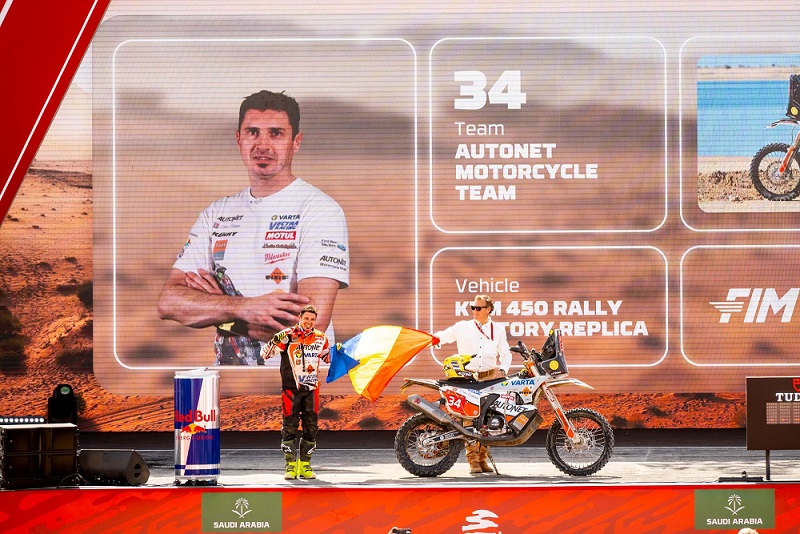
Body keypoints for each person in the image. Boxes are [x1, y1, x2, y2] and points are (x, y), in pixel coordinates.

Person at [157, 90, 349, 365]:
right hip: (231, 380)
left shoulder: (320, 210)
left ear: (296, 142)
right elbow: (169, 302)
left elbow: (309, 327)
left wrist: (219, 311)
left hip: (300, 378)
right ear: (238, 139)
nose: (262, 145)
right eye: (253, 132)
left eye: (276, 133)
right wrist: (245, 307)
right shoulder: (216, 213)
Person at [433, 294, 512, 475]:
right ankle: (472, 460)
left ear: (488, 309)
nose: (474, 311)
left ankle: (483, 458)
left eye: (478, 308)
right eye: (473, 308)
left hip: (489, 378)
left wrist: (503, 369)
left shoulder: (498, 329)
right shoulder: (463, 326)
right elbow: (444, 336)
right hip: (467, 378)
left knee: (488, 418)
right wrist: (432, 339)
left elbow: (506, 353)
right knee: (469, 417)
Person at [261, 305, 330, 479]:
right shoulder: (287, 335)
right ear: (299, 318)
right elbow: (264, 354)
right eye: (306, 318)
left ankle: (305, 466)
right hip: (290, 389)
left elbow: (328, 358)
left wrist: (339, 351)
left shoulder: (321, 338)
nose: (309, 322)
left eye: (312, 319)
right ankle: (290, 466)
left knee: (311, 427)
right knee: (289, 427)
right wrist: (274, 341)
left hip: (311, 389)